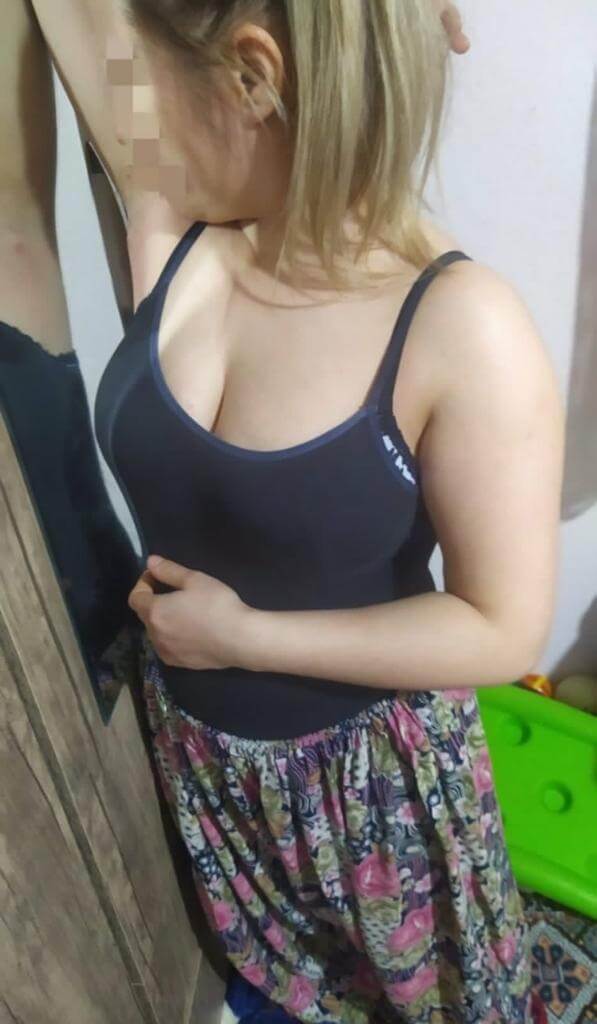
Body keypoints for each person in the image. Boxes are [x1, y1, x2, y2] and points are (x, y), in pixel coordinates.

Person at [5, 2, 560, 1023]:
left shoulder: (461, 327)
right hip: (208, 769)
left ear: (254, 78)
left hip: (375, 804)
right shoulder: (180, 227)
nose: (129, 113)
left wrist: (243, 635)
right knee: (287, 993)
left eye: (149, 81)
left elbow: (501, 628)